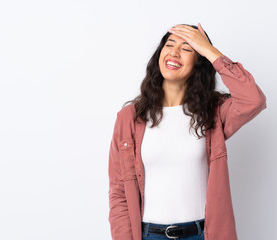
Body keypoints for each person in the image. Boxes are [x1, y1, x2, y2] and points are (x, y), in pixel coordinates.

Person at [108, 23, 267, 240]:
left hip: (202, 234)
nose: (174, 52)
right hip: (148, 235)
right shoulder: (129, 118)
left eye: (187, 48)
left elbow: (253, 100)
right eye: (169, 44)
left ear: (199, 60)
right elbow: (119, 194)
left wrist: (211, 51)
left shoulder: (214, 112)